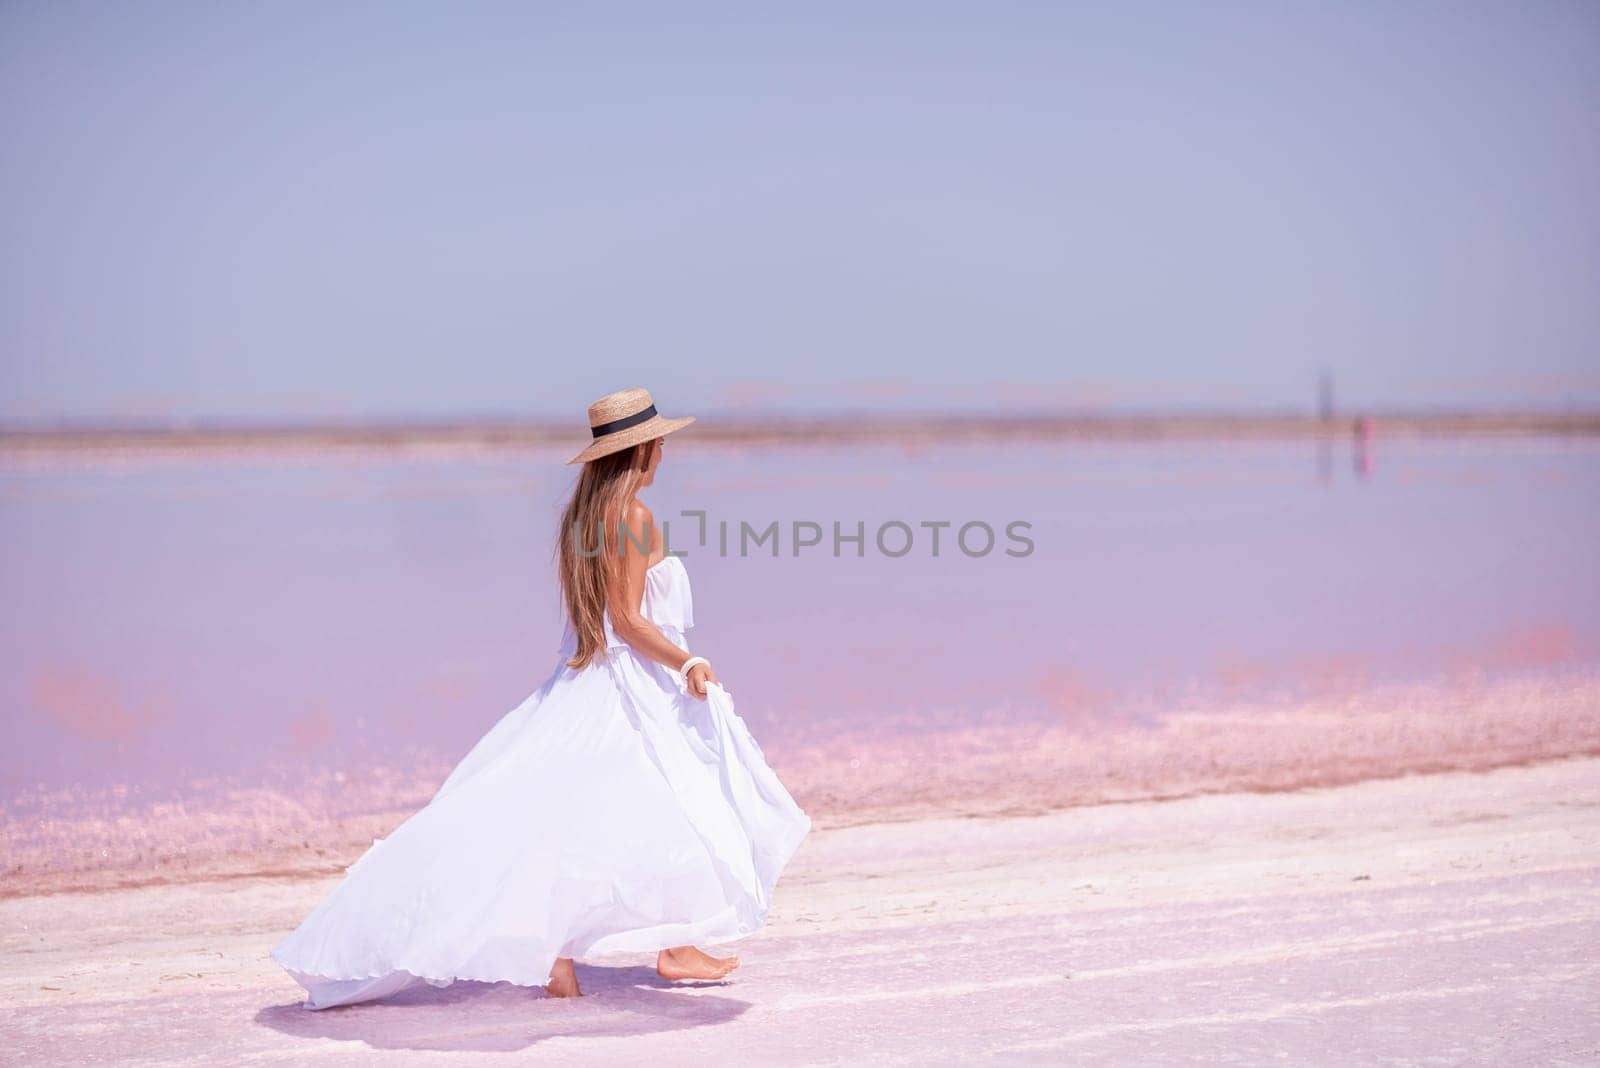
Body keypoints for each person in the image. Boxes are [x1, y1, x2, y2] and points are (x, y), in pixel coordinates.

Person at [270, 387, 812, 1007]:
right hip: (632, 686)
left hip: (589, 680)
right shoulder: (633, 517)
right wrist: (689, 660)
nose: (664, 452)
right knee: (678, 811)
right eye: (658, 442)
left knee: (587, 818)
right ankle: (624, 950)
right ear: (640, 451)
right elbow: (630, 621)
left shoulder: (583, 518)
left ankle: (636, 949)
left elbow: (601, 622)